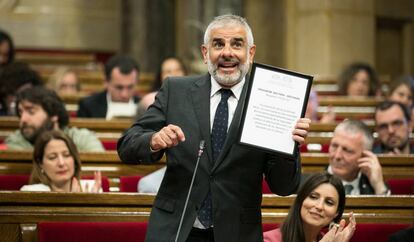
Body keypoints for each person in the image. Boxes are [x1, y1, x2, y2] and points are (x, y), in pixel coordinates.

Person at [117, 14, 310, 242]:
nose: (227, 52)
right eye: (218, 44)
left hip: (236, 233)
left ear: (251, 52)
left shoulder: (270, 102)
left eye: (237, 44)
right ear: (205, 52)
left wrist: (288, 147)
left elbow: (284, 186)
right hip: (177, 230)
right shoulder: (176, 90)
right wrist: (153, 141)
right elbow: (127, 145)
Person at [5, 86, 104, 152]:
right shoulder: (16, 141)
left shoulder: (82, 138)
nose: (23, 119)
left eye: (31, 111)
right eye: (20, 112)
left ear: (53, 115)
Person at [263, 172, 356, 242]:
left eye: (329, 202)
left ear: (336, 213)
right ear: (301, 200)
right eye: (313, 197)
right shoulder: (269, 239)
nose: (319, 206)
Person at [20, 130, 102, 192]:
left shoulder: (92, 189)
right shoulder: (31, 193)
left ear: (74, 159)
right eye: (52, 157)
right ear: (40, 164)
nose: (61, 163)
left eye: (66, 155)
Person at [327, 119, 389, 195]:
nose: (337, 156)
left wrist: (378, 185)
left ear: (365, 156)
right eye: (334, 146)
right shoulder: (312, 181)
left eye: (347, 150)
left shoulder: (374, 187)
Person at [77, 55, 140, 119]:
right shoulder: (88, 106)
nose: (124, 94)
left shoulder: (146, 107)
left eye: (130, 87)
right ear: (106, 82)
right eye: (119, 87)